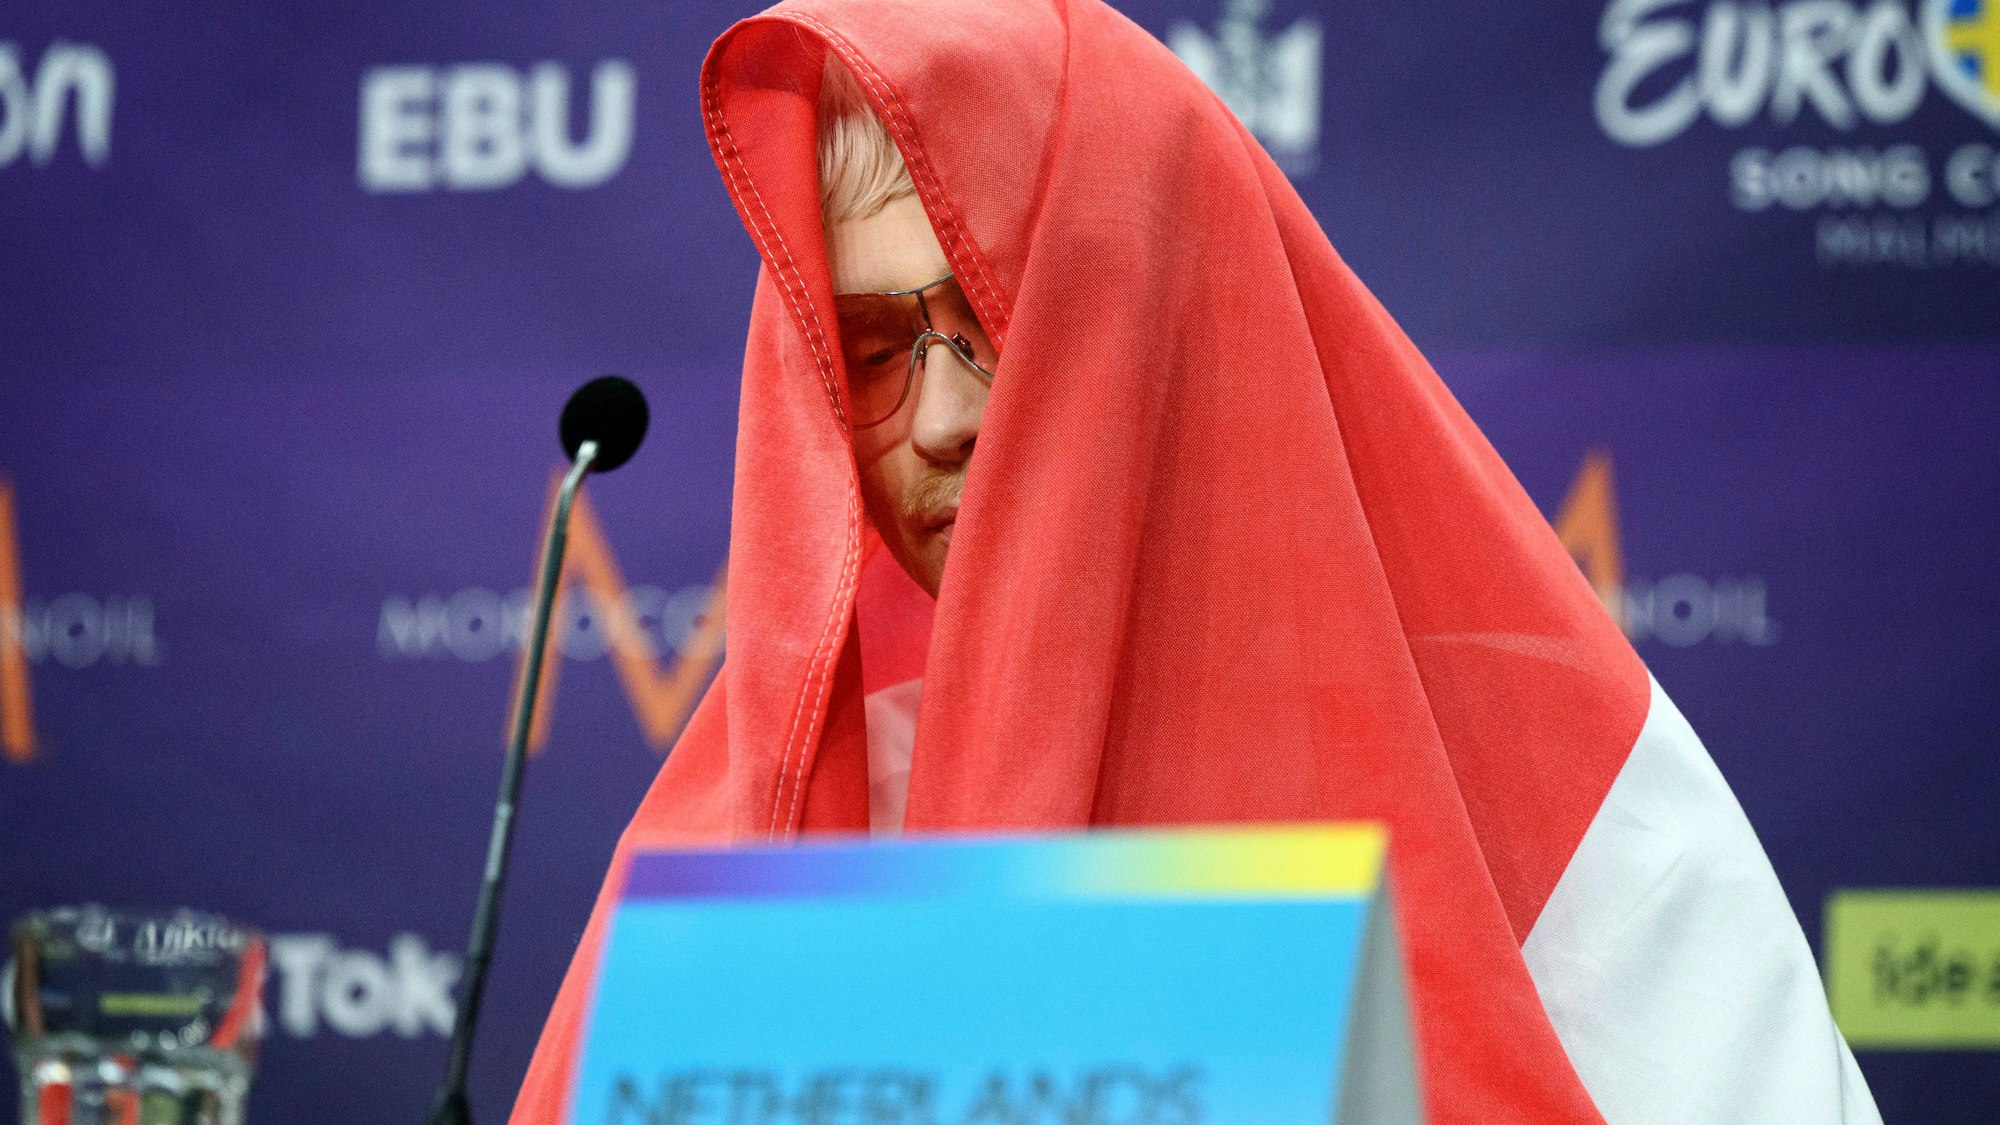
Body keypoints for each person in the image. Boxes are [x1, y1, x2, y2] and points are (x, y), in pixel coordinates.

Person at [512, 1, 1880, 1121]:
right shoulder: (767, 814)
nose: (940, 418)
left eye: (1001, 324)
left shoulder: (1566, 799)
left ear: (1169, 312)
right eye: (872, 351)